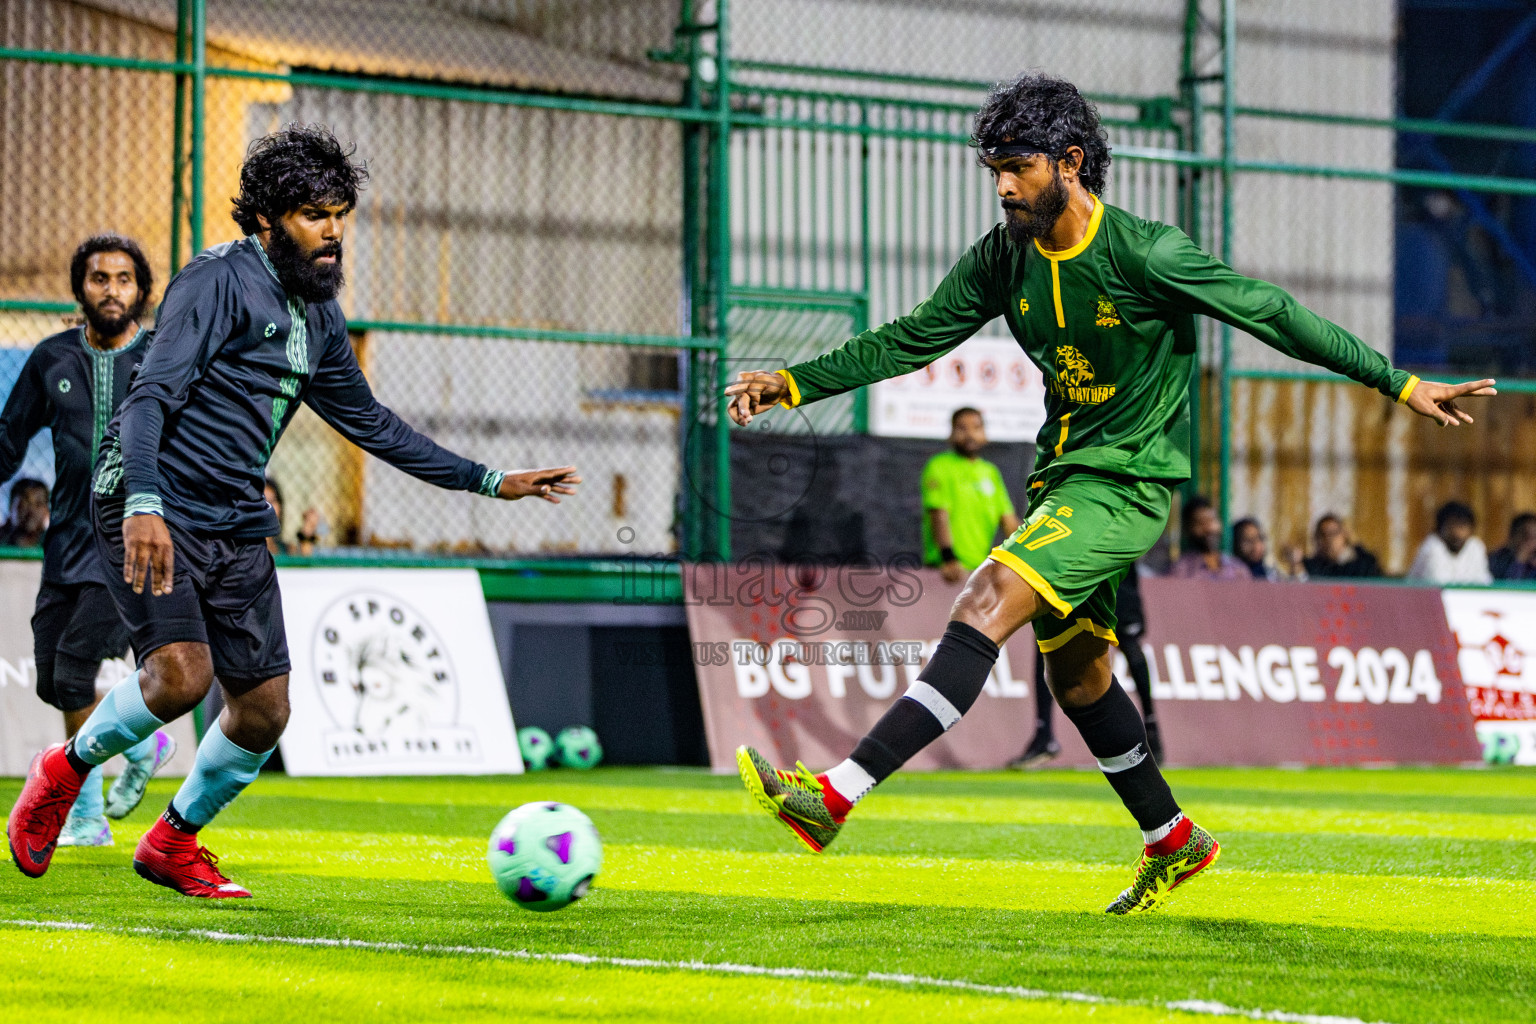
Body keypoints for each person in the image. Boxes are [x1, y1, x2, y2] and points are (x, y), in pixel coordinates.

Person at [722, 72, 1494, 915]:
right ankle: (1172, 838)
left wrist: (1399, 380)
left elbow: (1272, 313)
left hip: (1125, 485)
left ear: (1071, 161)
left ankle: (834, 796)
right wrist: (794, 383)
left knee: (988, 596)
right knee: (1081, 678)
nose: (1003, 185)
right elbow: (913, 337)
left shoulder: (1148, 254)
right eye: (994, 168)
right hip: (1060, 478)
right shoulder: (1002, 255)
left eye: (1016, 166)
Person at [6, 124, 581, 898]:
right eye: (316, 215)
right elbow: (149, 398)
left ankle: (173, 842)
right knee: (180, 677)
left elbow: (373, 425)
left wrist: (490, 480)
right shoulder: (215, 281)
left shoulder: (320, 318)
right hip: (149, 502)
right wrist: (142, 502)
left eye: (341, 212)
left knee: (265, 712)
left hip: (234, 518)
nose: (334, 231)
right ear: (269, 221)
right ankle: (60, 772)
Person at [0, 235, 177, 849]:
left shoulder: (161, 357)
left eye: (124, 279)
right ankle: (144, 739)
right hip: (65, 540)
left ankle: (83, 816)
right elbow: (8, 439)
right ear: (81, 288)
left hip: (131, 544)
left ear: (140, 290)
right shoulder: (50, 359)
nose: (112, 289)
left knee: (76, 669)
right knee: (53, 680)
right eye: (99, 278)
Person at [1011, 566, 1163, 768]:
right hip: (1076, 561)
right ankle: (1044, 734)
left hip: (1113, 559)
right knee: (1047, 638)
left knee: (1129, 640)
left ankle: (1151, 728)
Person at [922, 407, 1020, 583]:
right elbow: (939, 515)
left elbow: (1009, 522)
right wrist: (948, 558)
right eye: (962, 428)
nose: (970, 435)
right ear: (951, 433)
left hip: (978, 570)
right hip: (945, 570)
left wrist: (1032, 556)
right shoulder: (939, 466)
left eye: (976, 428)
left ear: (984, 433)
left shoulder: (990, 472)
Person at [1407, 501, 1492, 584]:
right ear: (1440, 529)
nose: (1457, 533)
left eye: (1462, 526)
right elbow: (1440, 586)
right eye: (1451, 526)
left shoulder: (1475, 547)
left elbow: (1484, 584)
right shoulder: (1432, 547)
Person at [1169, 495, 1248, 580]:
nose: (1209, 528)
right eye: (1201, 523)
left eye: (1212, 520)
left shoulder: (1238, 569)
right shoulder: (1181, 571)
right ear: (1188, 529)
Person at [1302, 514, 1383, 579]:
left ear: (1344, 534)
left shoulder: (1365, 562)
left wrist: (1356, 544)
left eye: (1333, 533)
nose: (1329, 539)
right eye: (1323, 535)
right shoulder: (1312, 565)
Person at [263, 476, 319, 556]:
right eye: (263, 501)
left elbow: (305, 561)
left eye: (272, 501)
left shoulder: (286, 550)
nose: (268, 507)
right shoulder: (244, 551)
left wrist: (307, 531)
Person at [0, 479, 50, 547]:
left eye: (39, 503)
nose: (31, 510)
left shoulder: (54, 543)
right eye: (25, 502)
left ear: (47, 510)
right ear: (11, 505)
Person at [1489, 512, 1536, 581]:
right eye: (1528, 537)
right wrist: (1520, 560)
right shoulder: (1498, 558)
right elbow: (1509, 588)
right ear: (1515, 536)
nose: (1533, 542)